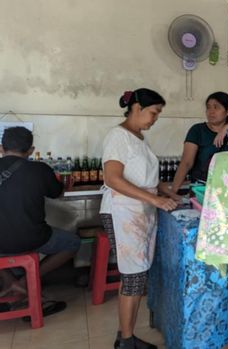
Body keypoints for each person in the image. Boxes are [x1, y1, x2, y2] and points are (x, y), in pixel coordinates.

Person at [99, 88, 179, 349]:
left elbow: (142, 178)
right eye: (154, 113)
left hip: (138, 213)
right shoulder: (118, 136)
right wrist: (154, 199)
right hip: (123, 212)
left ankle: (127, 336)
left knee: (136, 276)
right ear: (137, 108)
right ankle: (125, 340)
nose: (155, 118)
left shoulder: (138, 139)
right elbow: (112, 179)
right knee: (132, 277)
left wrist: (163, 189)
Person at [0, 127, 80, 312]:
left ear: (1, 148)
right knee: (73, 242)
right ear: (30, 150)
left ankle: (12, 283)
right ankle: (24, 282)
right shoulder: (39, 169)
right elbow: (57, 193)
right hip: (33, 238)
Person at [169, 91, 228, 193]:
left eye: (216, 107)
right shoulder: (197, 130)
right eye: (208, 107)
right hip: (201, 189)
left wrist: (227, 127)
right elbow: (186, 163)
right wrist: (173, 191)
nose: (211, 111)